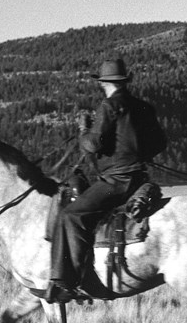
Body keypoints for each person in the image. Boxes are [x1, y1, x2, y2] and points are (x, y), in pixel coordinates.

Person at [48, 58, 166, 302]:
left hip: (116, 181)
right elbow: (160, 143)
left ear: (103, 83)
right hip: (140, 179)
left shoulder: (109, 106)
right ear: (125, 80)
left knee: (71, 215)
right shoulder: (144, 107)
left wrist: (83, 130)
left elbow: (92, 144)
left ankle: (69, 282)